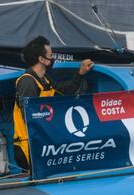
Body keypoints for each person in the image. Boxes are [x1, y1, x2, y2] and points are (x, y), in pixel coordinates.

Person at [13, 36, 93, 170]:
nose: (53, 58)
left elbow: (65, 91)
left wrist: (80, 73)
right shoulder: (27, 82)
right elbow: (28, 117)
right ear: (41, 59)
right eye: (51, 55)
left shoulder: (45, 79)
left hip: (43, 145)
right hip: (28, 148)